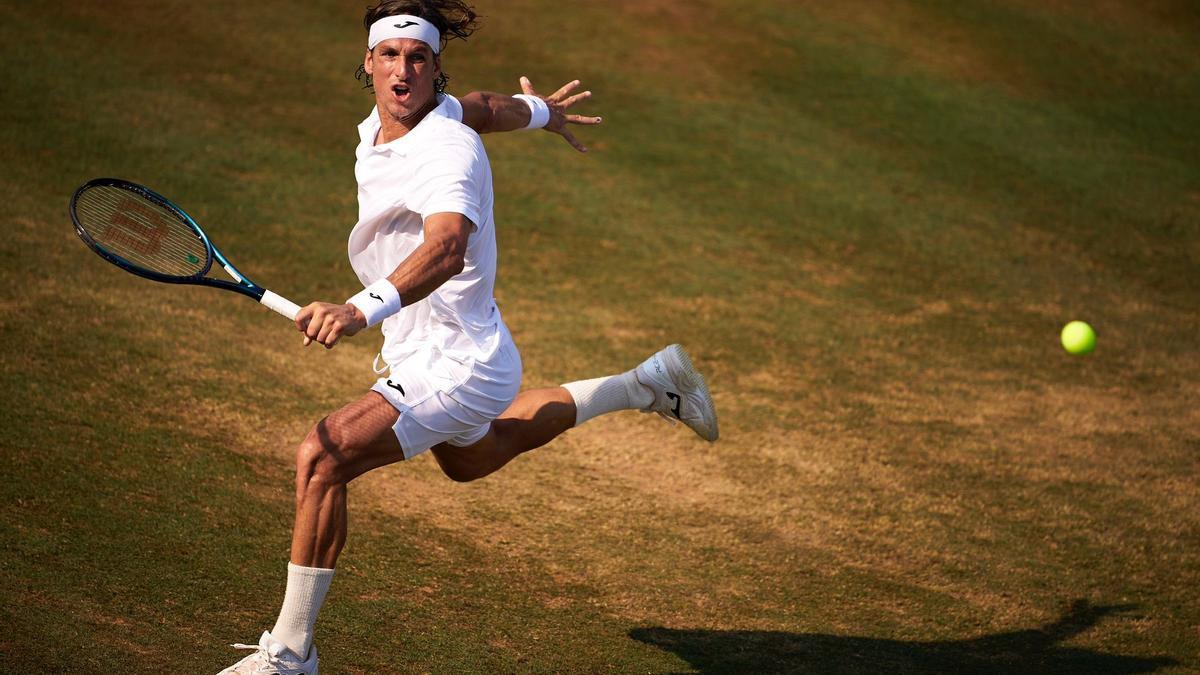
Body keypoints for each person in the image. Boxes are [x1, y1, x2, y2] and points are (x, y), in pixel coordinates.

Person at [219, 1, 717, 673]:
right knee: (471, 459)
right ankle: (643, 383)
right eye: (390, 55)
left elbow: (448, 248)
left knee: (323, 454)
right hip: (455, 349)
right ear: (368, 62)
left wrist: (358, 309)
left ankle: (288, 655)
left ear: (434, 69)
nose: (403, 70)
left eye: (418, 59)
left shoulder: (445, 149)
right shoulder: (415, 120)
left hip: (457, 363)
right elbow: (483, 104)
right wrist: (540, 113)